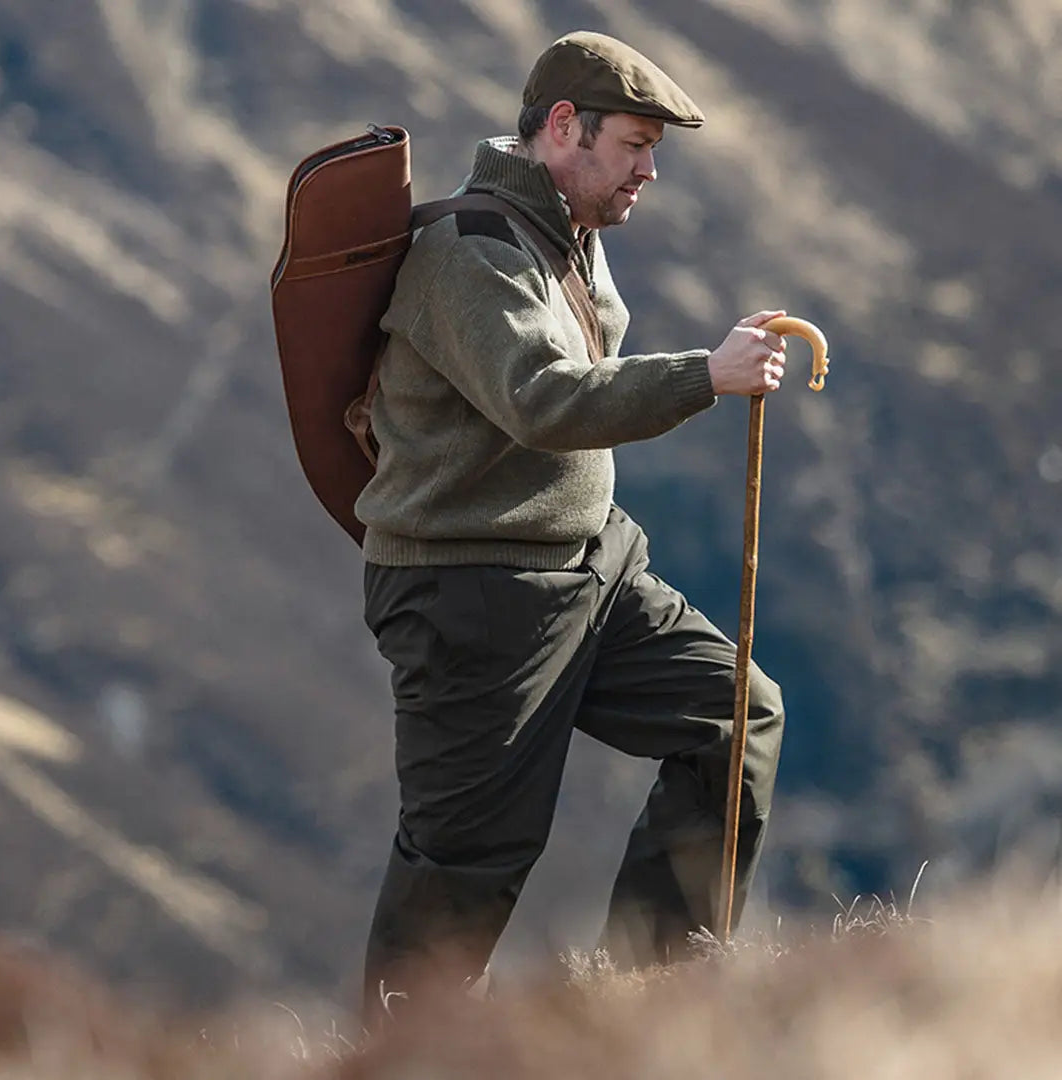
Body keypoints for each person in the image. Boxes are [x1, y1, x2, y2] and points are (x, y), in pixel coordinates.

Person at [354, 30, 787, 1016]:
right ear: (563, 128)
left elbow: (588, 360)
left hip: (591, 563)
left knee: (735, 718)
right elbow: (543, 400)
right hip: (474, 590)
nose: (648, 172)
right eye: (634, 146)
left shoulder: (564, 231)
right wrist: (706, 375)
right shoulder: (469, 251)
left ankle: (649, 1002)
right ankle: (390, 1059)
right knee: (465, 862)